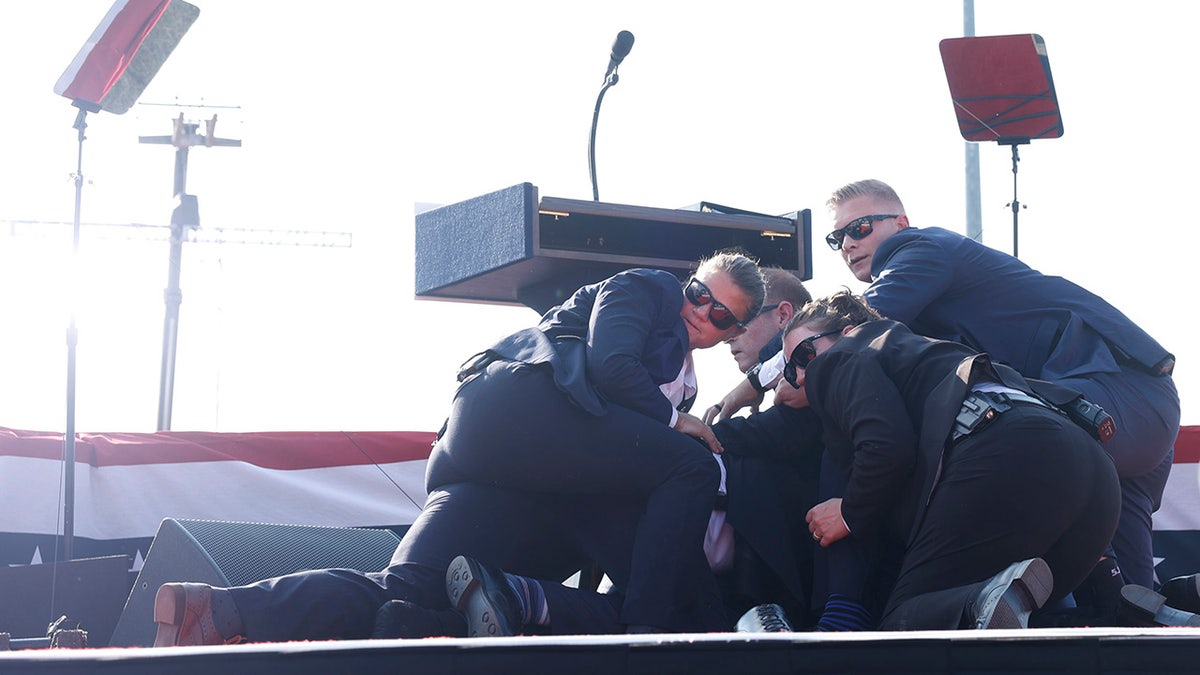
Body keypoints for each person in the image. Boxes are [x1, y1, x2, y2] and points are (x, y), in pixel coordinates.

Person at [151, 252, 765, 646]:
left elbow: (617, 459)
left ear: (734, 333)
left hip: (512, 470)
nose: (700, 312)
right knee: (687, 465)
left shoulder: (685, 373)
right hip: (524, 418)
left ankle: (223, 612)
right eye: (699, 292)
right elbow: (608, 368)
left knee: (404, 593)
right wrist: (673, 421)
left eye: (720, 316)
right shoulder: (648, 287)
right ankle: (645, 634)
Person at [714, 179, 1180, 608]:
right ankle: (1179, 604)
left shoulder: (919, 248)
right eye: (837, 239)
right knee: (1133, 601)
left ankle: (846, 609)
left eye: (859, 227)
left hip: (1110, 391)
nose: (849, 243)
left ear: (899, 223)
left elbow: (851, 330)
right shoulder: (920, 305)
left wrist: (755, 382)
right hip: (1139, 412)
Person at [783, 290, 1121, 629]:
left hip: (1011, 450)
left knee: (907, 624)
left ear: (845, 330)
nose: (800, 376)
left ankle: (980, 601)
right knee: (1032, 628)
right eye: (788, 372)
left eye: (804, 354)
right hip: (1096, 471)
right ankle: (1137, 612)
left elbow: (886, 447)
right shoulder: (925, 355)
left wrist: (849, 513)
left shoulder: (843, 354)